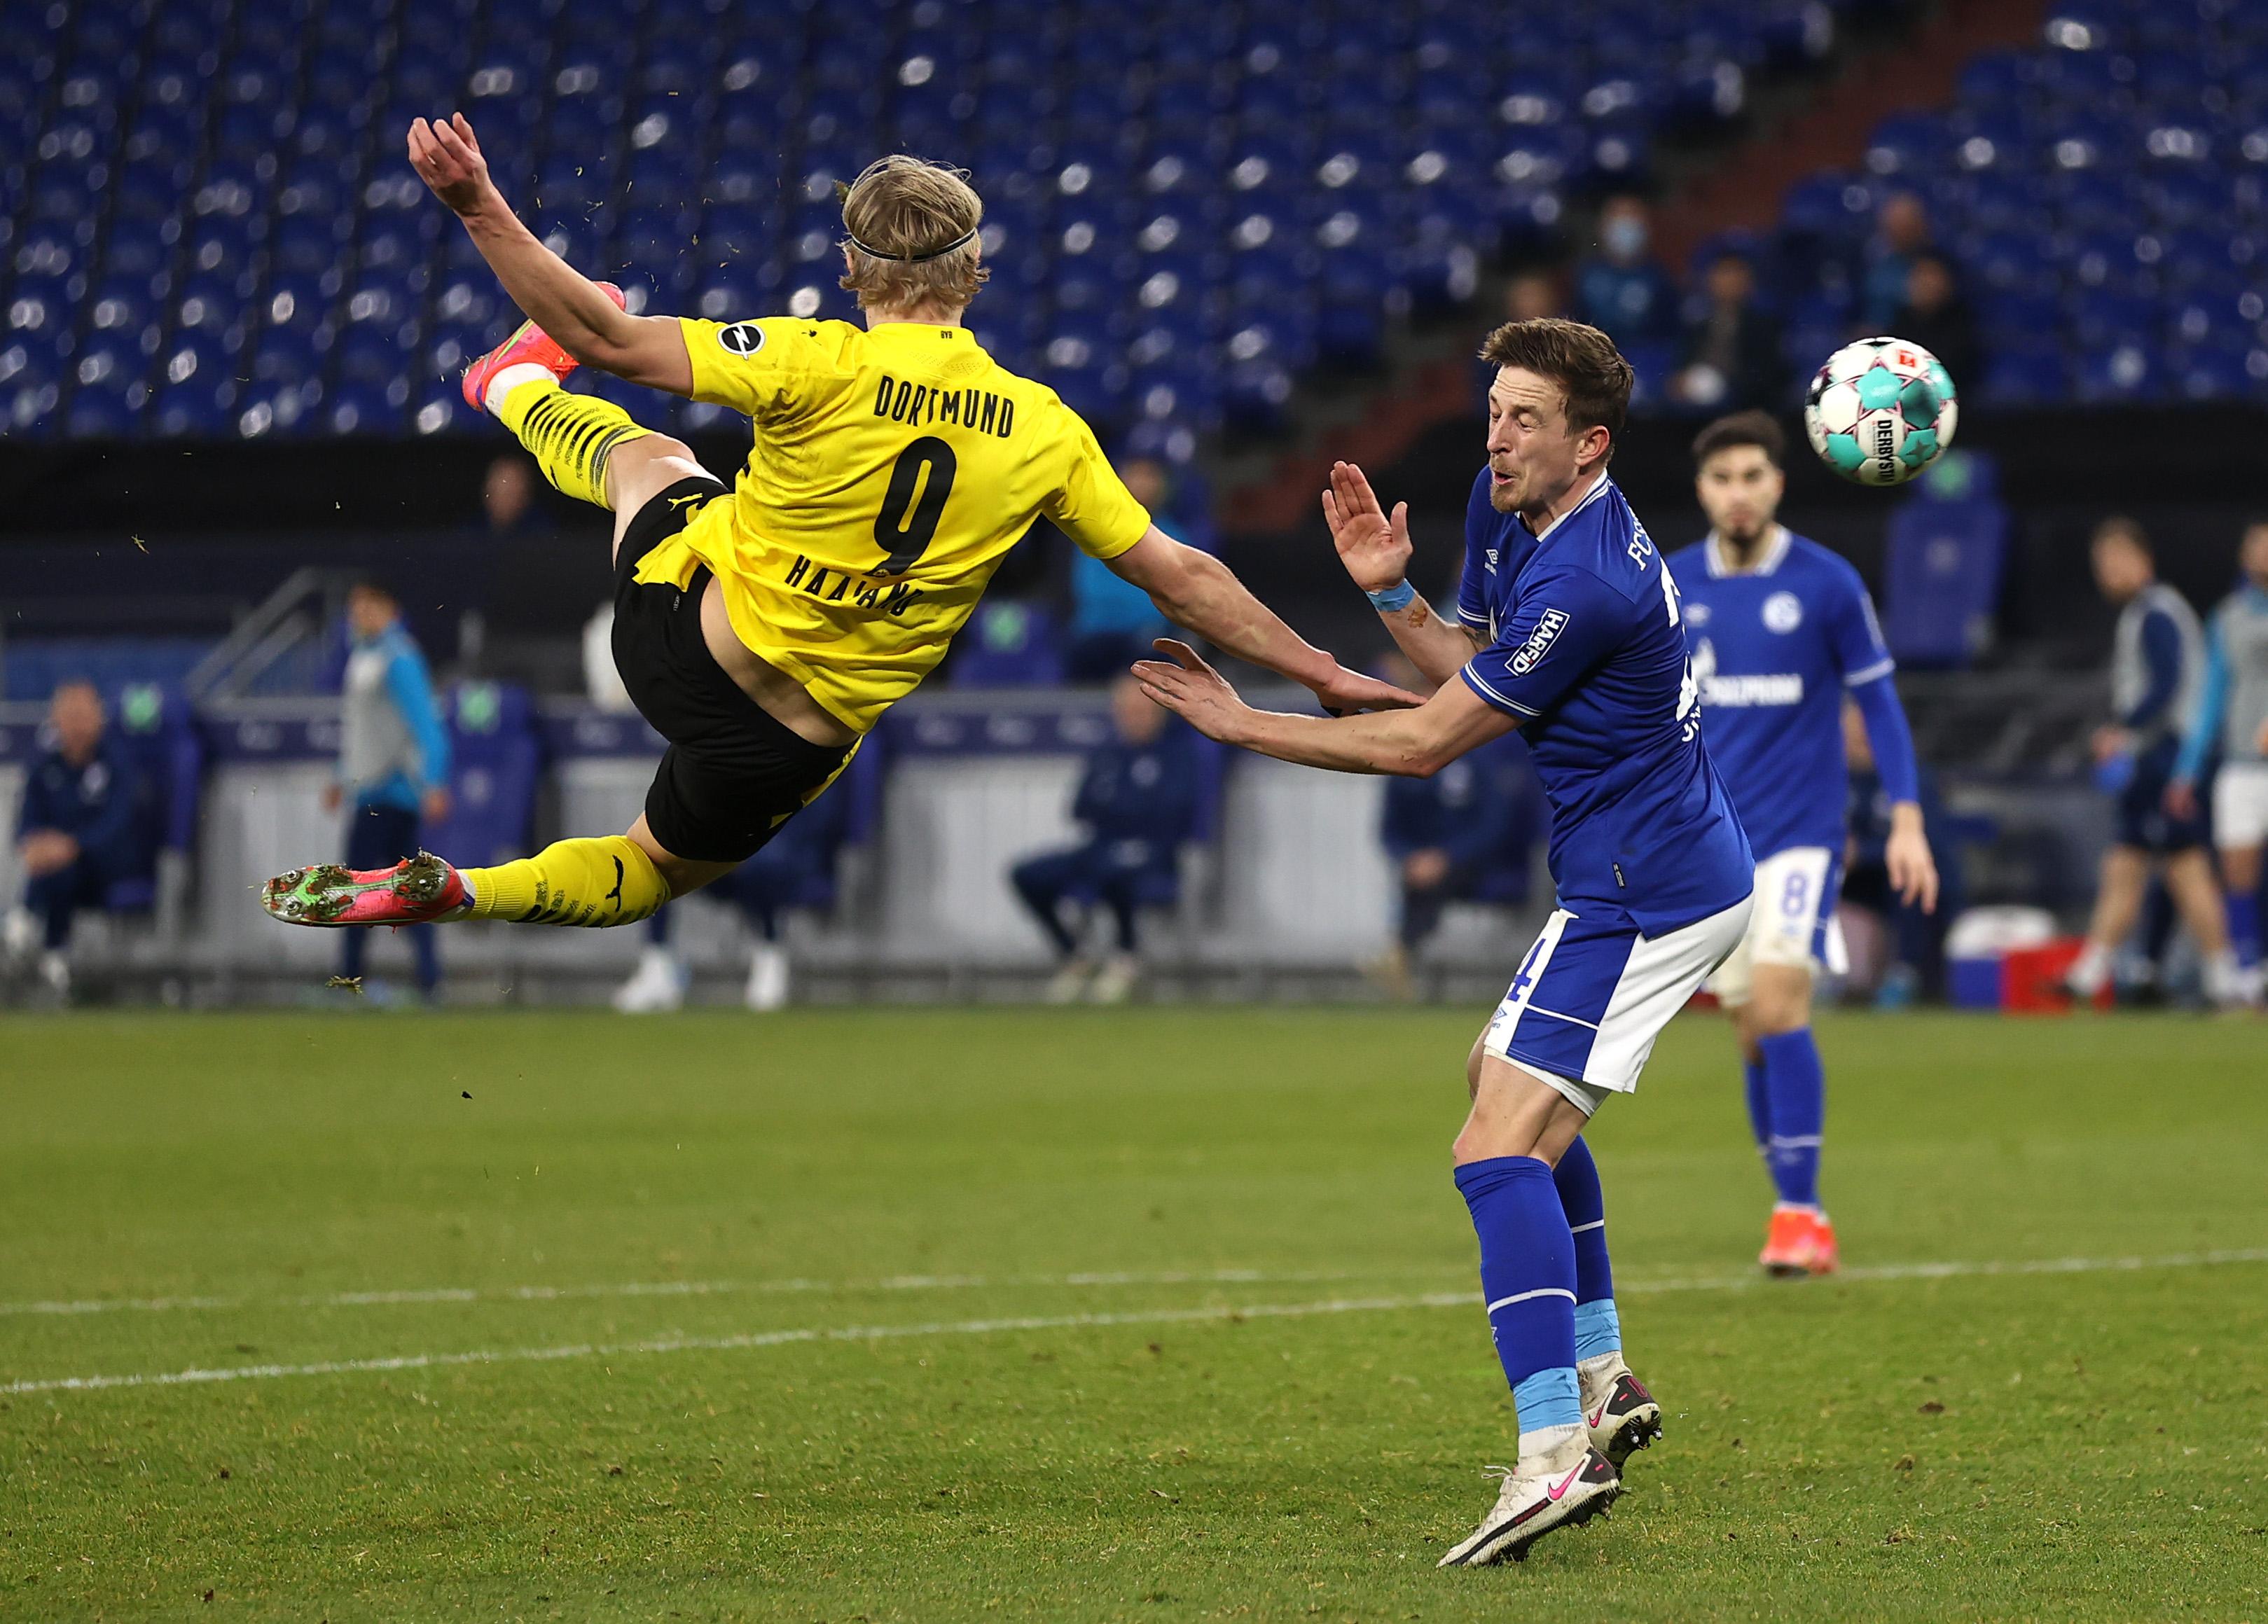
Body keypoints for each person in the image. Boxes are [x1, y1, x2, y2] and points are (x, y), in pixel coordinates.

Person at [261, 118, 1411, 938]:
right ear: (979, 271)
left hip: (679, 641)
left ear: (851, 267)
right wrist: (1320, 670)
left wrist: (480, 207)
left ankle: (507, 385)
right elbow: (1183, 576)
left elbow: (606, 342)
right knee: (651, 870)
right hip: (794, 742)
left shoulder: (814, 356)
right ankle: (473, 890)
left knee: (647, 455)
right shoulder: (1043, 428)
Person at [1135, 318, 1755, 1565]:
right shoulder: (1502, 502)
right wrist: (1385, 592)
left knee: (1490, 1145)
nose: (1496, 433)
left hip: (1648, 889)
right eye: (1492, 409)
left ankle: (1547, 1454)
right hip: (1639, 871)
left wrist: (1242, 723)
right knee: (1499, 1089)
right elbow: (1470, 672)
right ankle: (1598, 1373)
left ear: (1589, 444)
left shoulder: (1594, 576)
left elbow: (1424, 741)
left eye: (1526, 418)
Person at [1666, 412, 1937, 1277]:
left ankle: (1799, 1213)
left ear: (1778, 483)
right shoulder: (1670, 586)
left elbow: (1881, 705)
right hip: (1711, 846)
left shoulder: (1825, 583)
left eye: (1752, 477)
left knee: (1781, 1002)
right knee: (1753, 1033)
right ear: (1702, 490)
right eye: (1721, 479)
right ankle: (1788, 1195)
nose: (1737, 494)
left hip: (1801, 839)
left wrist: (1905, 816)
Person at [2063, 520, 2244, 1008]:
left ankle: (2223, 974)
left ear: (2143, 560)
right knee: (2126, 864)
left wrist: (2122, 728)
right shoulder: (2148, 611)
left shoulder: (2157, 612)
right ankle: (2090, 970)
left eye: (2117, 559)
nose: (2109, 572)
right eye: (2103, 563)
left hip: (2167, 757)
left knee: (2185, 870)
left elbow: (2166, 685)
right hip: (2158, 758)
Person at [1011, 675, 1200, 1004]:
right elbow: (1080, 807)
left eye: (1141, 711)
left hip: (1154, 852)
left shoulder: (1177, 755)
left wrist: (1118, 807)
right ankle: (1074, 954)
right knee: (1027, 874)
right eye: (1126, 711)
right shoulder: (1107, 754)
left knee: (1116, 871)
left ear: (1158, 714)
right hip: (1100, 847)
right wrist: (1128, 807)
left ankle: (1126, 956)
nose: (1133, 719)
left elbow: (1172, 811)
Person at [615, 785, 854, 1013]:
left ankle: (771, 955)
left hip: (779, 860)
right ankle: (658, 965)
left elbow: (812, 829)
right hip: (727, 854)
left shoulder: (807, 768)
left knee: (762, 868)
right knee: (659, 862)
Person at [329, 578, 452, 999]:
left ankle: (354, 981)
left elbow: (427, 726)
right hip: (370, 792)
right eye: (354, 607)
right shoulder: (365, 656)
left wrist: (434, 782)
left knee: (365, 894)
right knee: (399, 893)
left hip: (393, 794)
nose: (359, 615)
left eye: (368, 606)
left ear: (389, 609)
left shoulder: (399, 659)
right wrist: (341, 777)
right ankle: (426, 981)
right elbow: (362, 731)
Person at [2169, 519, 2268, 1006]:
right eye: (2257, 545)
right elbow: (2211, 697)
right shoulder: (2227, 618)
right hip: (2242, 764)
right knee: (2238, 870)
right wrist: (2187, 768)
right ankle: (2248, 971)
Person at [1374, 732, 1544, 998]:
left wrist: (1449, 856)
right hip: (1426, 868)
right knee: (1423, 878)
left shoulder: (1478, 761)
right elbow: (1390, 829)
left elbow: (1492, 824)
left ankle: (1402, 954)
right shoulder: (1406, 767)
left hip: (1482, 863)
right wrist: (1410, 857)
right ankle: (1405, 960)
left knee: (1430, 880)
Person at [5, 681, 146, 1000]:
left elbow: (118, 825)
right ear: (56, 720)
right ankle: (54, 957)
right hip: (59, 874)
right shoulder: (44, 765)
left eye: (83, 716)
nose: (77, 725)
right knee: (59, 872)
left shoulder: (117, 763)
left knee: (64, 867)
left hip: (107, 869)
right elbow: (27, 823)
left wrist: (72, 846)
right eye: (69, 716)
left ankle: (25, 920)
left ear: (99, 718)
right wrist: (35, 846)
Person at [1841, 696, 1957, 1006]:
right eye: (1852, 730)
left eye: (1866, 730)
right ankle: (1820, 970)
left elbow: (1929, 844)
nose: (1859, 738)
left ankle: (1905, 973)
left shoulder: (1909, 779)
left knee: (1906, 879)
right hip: (1855, 879)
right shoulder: (1831, 777)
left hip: (1909, 876)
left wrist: (1861, 851)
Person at [1063, 455, 1217, 683]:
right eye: (1137, 474)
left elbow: (1176, 596)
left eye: (1150, 475)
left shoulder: (1175, 537)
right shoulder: (1092, 529)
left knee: (1165, 646)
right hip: (1098, 636)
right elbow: (1091, 591)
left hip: (1150, 636)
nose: (1143, 483)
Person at [1670, 251, 1785, 412]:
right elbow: (1680, 364)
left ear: (1748, 282)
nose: (1728, 281)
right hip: (1695, 404)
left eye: (1735, 274)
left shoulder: (1764, 326)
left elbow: (1767, 377)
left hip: (1741, 405)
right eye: (1723, 274)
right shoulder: (1697, 325)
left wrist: (1726, 386)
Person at [1572, 196, 1677, 351]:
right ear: (1603, 226)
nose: (1626, 224)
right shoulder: (1587, 276)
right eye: (1619, 217)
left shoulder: (1659, 278)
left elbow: (1670, 336)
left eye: (1632, 216)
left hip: (1647, 365)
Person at [1889, 253, 1980, 396]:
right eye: (1919, 275)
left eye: (1931, 275)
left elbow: (1951, 369)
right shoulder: (1901, 321)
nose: (1925, 283)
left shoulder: (1962, 322)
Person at [1862, 190, 1933, 331]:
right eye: (1894, 226)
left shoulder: (1936, 267)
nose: (1900, 232)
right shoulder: (1879, 267)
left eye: (1906, 225)